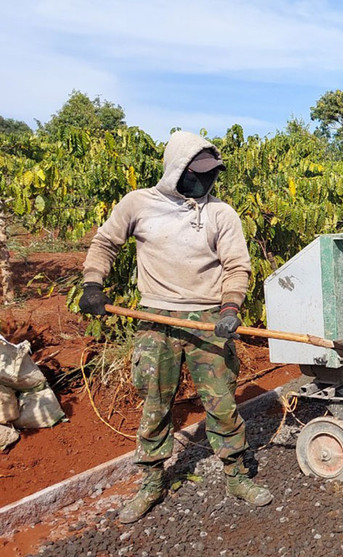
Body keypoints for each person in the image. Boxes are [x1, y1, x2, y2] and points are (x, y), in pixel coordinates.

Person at [78, 130, 273, 524]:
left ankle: (236, 474)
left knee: (221, 401)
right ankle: (151, 481)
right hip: (155, 320)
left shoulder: (221, 214)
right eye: (197, 172)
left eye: (212, 173)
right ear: (176, 169)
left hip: (208, 322)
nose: (206, 180)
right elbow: (105, 243)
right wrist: (92, 283)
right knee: (154, 404)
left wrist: (230, 307)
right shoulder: (139, 204)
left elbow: (237, 266)